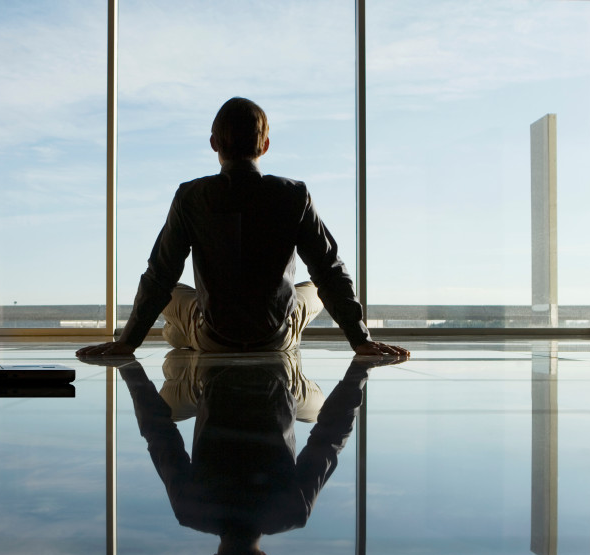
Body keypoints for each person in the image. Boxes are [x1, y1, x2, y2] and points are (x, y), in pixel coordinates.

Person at [77, 97, 409, 359]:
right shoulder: (294, 194)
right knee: (314, 288)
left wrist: (127, 343)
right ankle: (186, 334)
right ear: (264, 146)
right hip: (274, 339)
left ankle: (179, 334)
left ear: (213, 144)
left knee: (170, 294)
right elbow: (330, 270)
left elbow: (160, 275)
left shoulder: (190, 196)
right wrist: (361, 340)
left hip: (213, 337)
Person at [95, 351, 396, 555]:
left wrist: (361, 368)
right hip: (213, 369)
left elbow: (330, 438)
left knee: (315, 408)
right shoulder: (190, 510)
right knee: (177, 344)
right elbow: (158, 434)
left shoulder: (292, 513)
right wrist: (127, 366)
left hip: (279, 368)